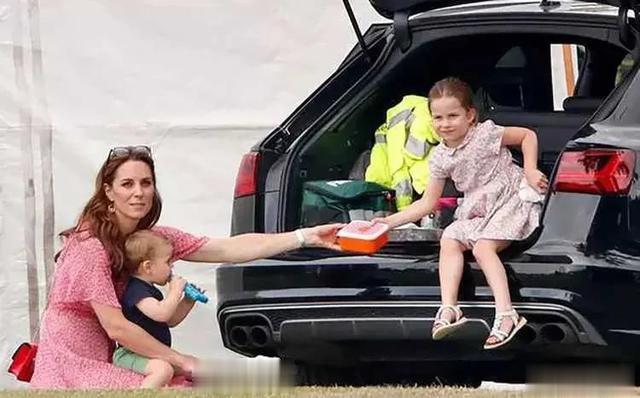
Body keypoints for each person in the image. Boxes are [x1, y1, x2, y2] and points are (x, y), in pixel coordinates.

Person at [31, 145, 343, 389]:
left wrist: (305, 236)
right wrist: (181, 360)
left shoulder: (154, 240)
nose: (138, 192)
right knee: (179, 382)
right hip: (70, 358)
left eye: (146, 183)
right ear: (108, 192)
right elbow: (117, 328)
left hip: (111, 353)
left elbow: (227, 248)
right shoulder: (90, 247)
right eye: (127, 184)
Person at [373, 77, 548, 350]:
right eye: (438, 117)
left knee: (482, 249)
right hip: (478, 208)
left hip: (509, 198)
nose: (445, 124)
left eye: (453, 116)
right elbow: (428, 203)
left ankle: (506, 314)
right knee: (450, 238)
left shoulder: (485, 134)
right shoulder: (440, 157)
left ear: (470, 115)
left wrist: (530, 169)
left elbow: (527, 136)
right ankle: (449, 308)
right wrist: (387, 222)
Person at [112, 230, 198, 388]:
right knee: (163, 370)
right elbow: (161, 314)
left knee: (194, 366)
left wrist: (187, 301)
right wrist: (174, 291)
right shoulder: (136, 290)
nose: (171, 267)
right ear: (148, 267)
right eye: (167, 262)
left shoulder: (151, 290)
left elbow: (170, 320)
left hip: (154, 354)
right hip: (131, 354)